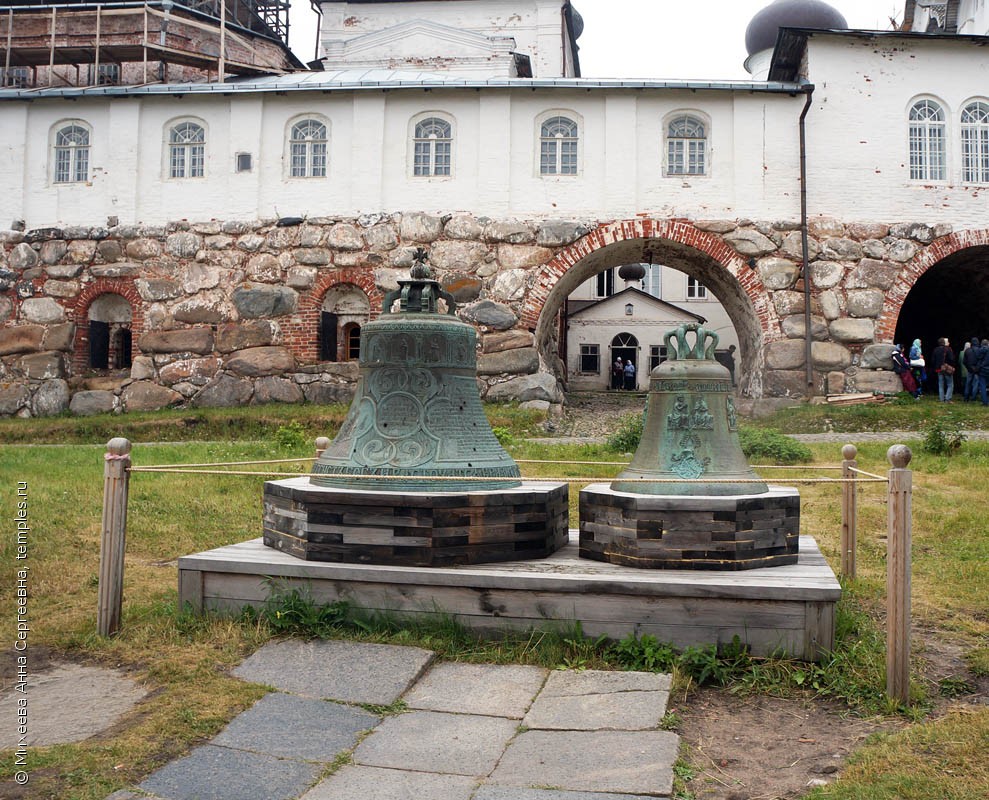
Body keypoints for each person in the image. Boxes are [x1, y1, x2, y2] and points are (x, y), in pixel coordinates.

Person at [931, 337, 956, 402]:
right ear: (944, 342)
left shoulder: (935, 349)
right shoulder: (948, 349)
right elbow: (951, 359)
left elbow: (933, 360)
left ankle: (941, 399)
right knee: (950, 384)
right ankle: (947, 399)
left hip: (939, 369)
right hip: (946, 369)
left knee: (941, 385)